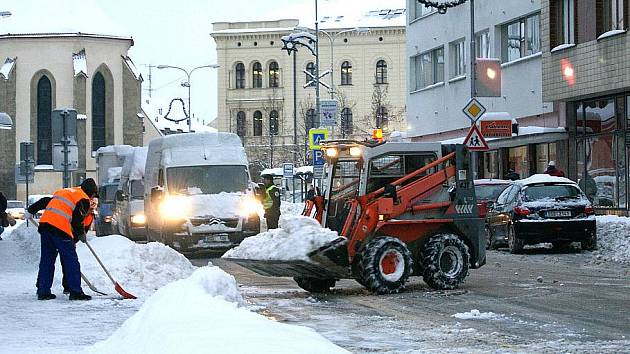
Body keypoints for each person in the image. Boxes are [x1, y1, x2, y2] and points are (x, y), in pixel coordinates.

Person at [27, 178, 98, 301]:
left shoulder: (64, 192)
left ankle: (43, 291)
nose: (92, 198)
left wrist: (30, 210)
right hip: (60, 229)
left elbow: (45, 201)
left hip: (45, 227)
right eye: (92, 195)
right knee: (71, 261)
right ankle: (75, 291)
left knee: (47, 260)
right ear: (90, 192)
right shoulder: (83, 199)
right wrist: (81, 234)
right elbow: (77, 220)